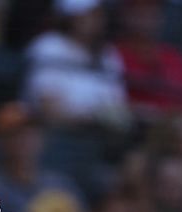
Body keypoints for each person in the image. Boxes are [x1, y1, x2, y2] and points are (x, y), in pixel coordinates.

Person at [22, 0, 128, 129]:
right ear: (70, 16)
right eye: (88, 13)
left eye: (98, 13)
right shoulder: (48, 46)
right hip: (53, 137)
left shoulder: (108, 54)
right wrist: (94, 118)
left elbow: (118, 109)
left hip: (100, 140)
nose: (96, 18)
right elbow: (48, 111)